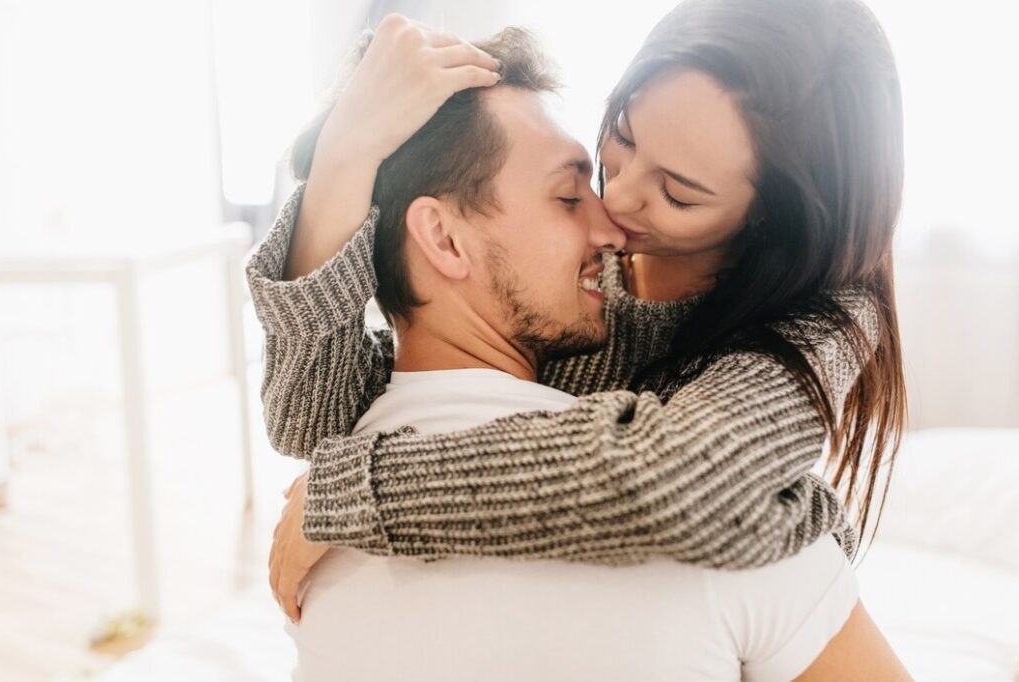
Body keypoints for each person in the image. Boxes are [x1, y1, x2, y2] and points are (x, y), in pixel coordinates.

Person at [250, 24, 909, 682]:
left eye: (678, 193)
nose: (614, 205)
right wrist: (346, 150)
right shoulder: (560, 276)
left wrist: (352, 493)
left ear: (771, 219)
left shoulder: (818, 322)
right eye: (622, 134)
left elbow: (685, 476)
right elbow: (312, 419)